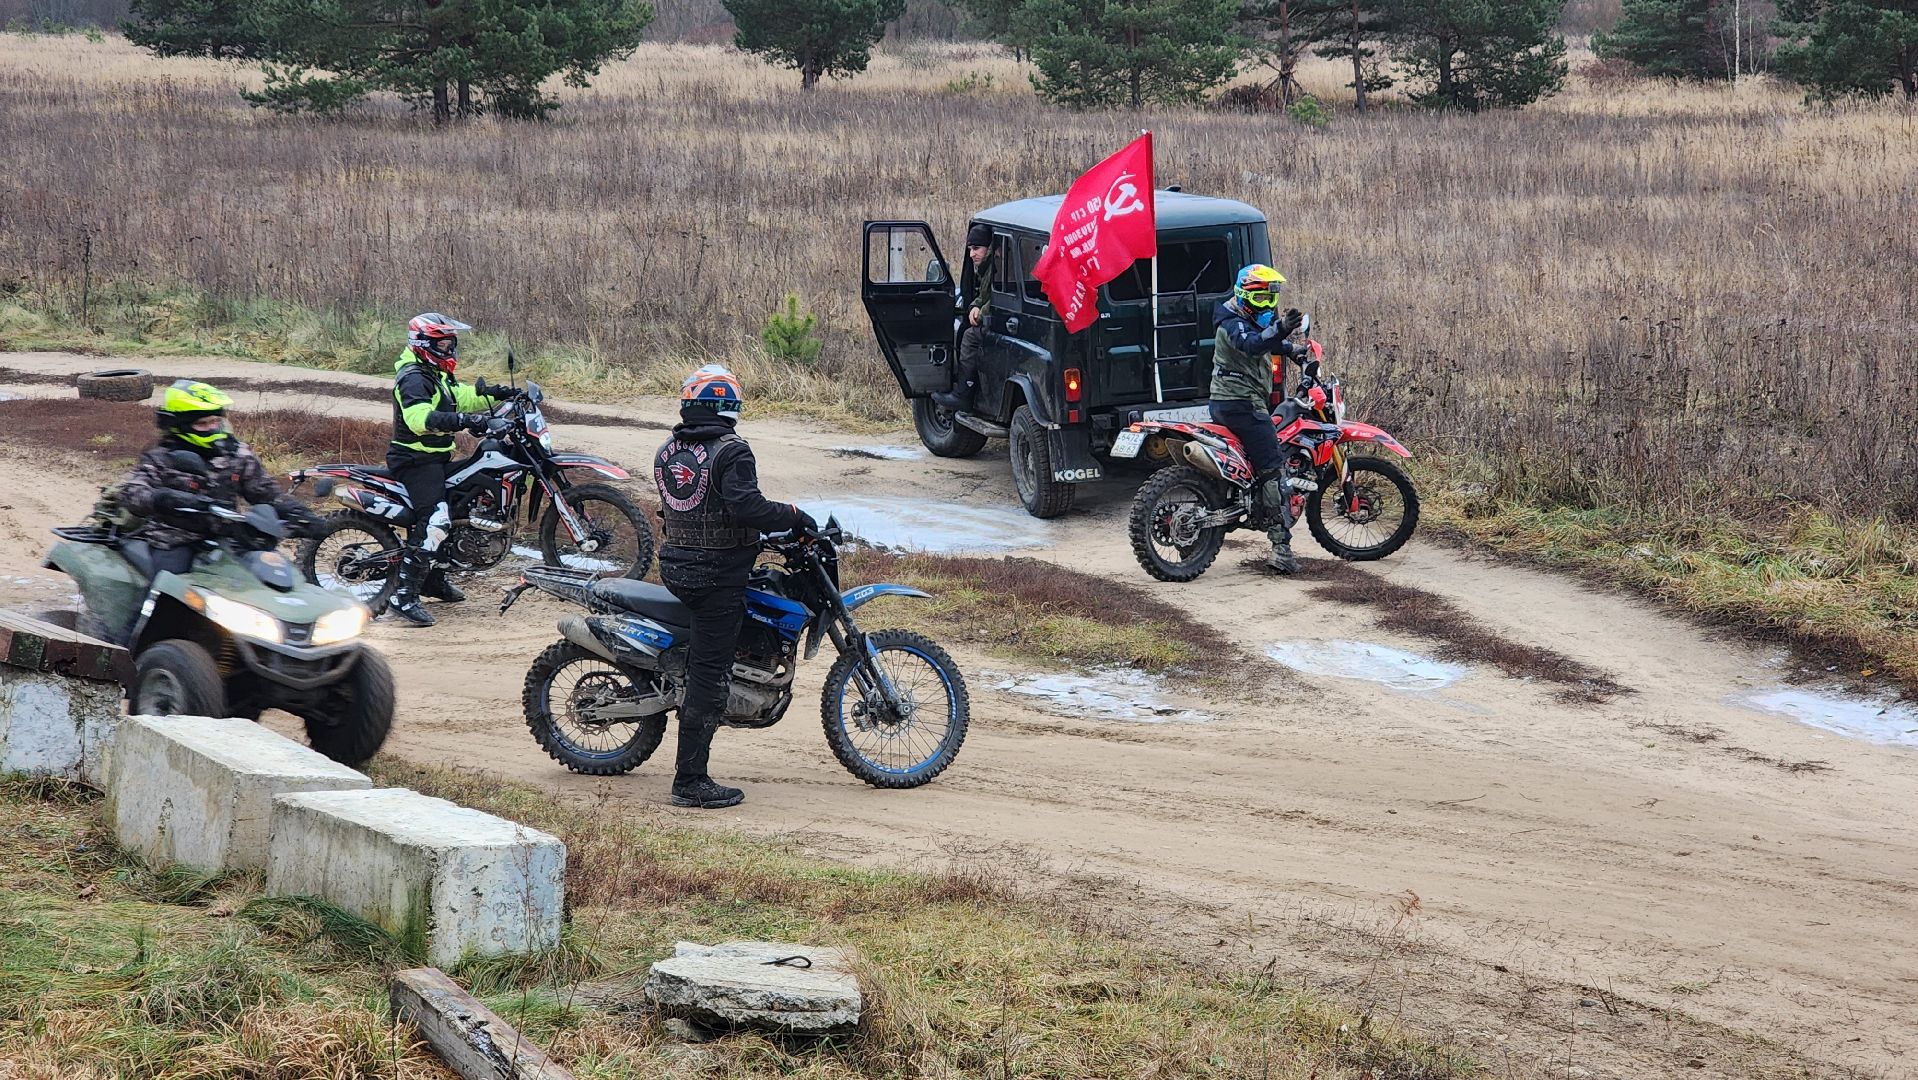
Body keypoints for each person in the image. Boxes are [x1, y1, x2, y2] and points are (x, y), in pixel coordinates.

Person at [653, 365, 815, 809]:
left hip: (677, 566)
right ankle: (690, 781)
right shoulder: (732, 450)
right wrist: (795, 516)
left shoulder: (669, 449)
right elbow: (746, 506)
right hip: (715, 576)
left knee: (710, 651)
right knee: (709, 674)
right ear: (727, 405)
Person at [386, 312, 518, 627]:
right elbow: (421, 419)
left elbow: (459, 398)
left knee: (461, 504)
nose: (448, 349)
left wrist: (497, 394)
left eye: (449, 343)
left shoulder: (436, 374)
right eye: (441, 344)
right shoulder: (413, 377)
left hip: (435, 459)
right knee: (436, 519)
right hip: (414, 461)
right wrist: (469, 422)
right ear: (423, 344)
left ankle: (432, 580)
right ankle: (403, 595)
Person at [117, 379, 319, 577]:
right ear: (180, 425)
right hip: (175, 540)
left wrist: (304, 516)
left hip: (231, 539)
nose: (212, 428)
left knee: (273, 583)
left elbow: (268, 494)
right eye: (202, 424)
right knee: (167, 592)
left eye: (215, 421)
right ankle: (146, 610)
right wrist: (163, 499)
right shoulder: (160, 457)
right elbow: (132, 493)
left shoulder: (236, 455)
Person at [1209, 264, 1308, 574]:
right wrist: (1281, 328)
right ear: (1244, 294)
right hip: (1241, 404)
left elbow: (1263, 339)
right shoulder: (1230, 322)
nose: (1268, 304)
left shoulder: (1242, 318)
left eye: (1271, 297)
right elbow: (1252, 343)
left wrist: (1293, 350)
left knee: (1261, 461)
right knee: (1272, 469)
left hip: (1229, 402)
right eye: (1263, 298)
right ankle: (1281, 548)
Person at [929, 222, 996, 414]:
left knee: (968, 337)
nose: (972, 254)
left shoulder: (995, 267)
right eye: (970, 249)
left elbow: (1000, 297)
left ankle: (965, 393)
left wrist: (982, 312)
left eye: (976, 248)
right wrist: (976, 306)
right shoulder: (988, 267)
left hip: (1000, 323)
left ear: (989, 248)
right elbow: (986, 296)